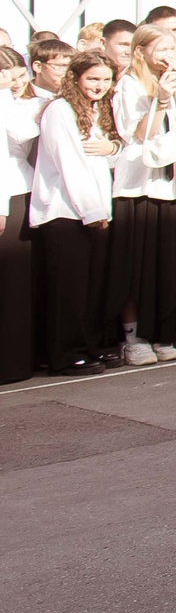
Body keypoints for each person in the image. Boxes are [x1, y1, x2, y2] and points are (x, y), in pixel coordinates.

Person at [108, 28, 176, 366]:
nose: (168, 54)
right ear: (141, 51)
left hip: (173, 184)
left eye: (172, 47)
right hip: (138, 186)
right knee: (137, 266)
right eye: (161, 48)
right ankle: (134, 338)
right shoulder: (128, 85)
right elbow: (137, 132)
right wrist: (160, 99)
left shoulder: (174, 80)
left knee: (168, 264)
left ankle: (163, 332)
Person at [30, 51, 119, 373]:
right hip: (65, 212)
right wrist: (91, 210)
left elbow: (108, 155)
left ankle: (89, 345)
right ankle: (65, 354)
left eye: (106, 79)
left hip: (95, 211)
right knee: (69, 290)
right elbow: (69, 163)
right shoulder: (59, 110)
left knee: (92, 287)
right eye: (93, 78)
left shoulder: (99, 109)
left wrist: (114, 148)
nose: (99, 85)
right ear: (76, 77)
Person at [0, 49, 38, 382]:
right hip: (7, 197)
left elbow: (23, 134)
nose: (14, 81)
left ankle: (13, 363)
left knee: (14, 284)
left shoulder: (15, 104)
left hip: (16, 193)